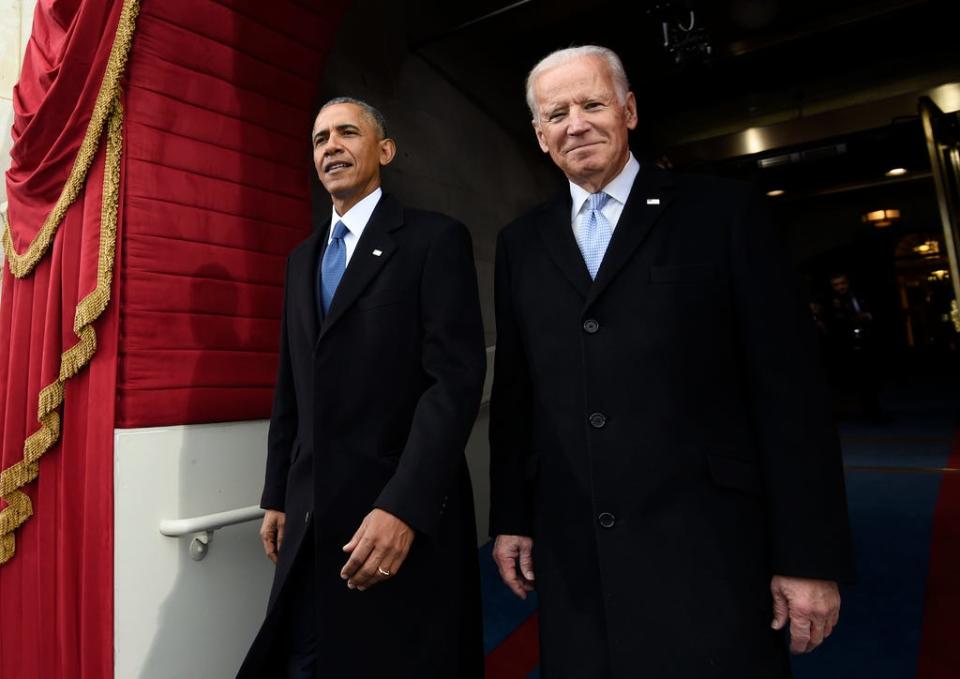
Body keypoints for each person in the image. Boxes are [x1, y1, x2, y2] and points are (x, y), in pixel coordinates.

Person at [489, 46, 854, 679]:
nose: (575, 123)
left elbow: (789, 393)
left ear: (629, 110)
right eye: (556, 113)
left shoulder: (724, 214)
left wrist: (808, 555)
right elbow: (519, 395)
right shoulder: (520, 244)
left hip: (710, 552)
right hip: (579, 562)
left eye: (592, 103)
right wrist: (511, 517)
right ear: (540, 134)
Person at [238, 98, 486, 678]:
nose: (331, 147)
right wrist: (277, 491)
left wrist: (402, 505)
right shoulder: (300, 260)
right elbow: (291, 386)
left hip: (398, 517)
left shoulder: (434, 240)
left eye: (347, 133)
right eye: (320, 138)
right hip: (311, 518)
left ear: (385, 151)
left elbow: (453, 384)